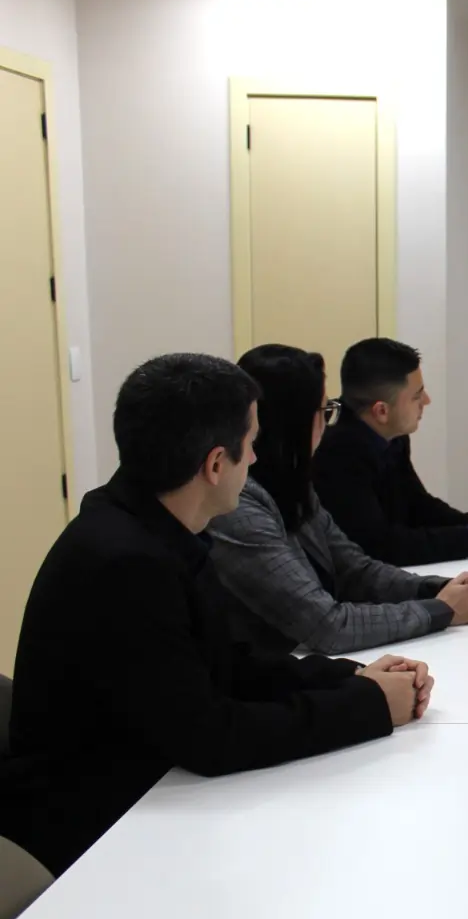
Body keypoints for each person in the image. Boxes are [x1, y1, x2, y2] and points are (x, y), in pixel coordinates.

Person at [0, 354, 433, 877]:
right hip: (99, 834)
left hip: (148, 789)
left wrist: (352, 678)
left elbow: (230, 663)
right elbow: (211, 738)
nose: (255, 459)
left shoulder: (151, 525)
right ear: (214, 464)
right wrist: (368, 707)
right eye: (249, 445)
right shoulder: (127, 563)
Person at [210, 345, 468, 655]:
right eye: (325, 411)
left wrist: (438, 588)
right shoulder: (239, 507)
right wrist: (443, 609)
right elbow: (328, 627)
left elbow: (354, 568)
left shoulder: (291, 482)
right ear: (296, 424)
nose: (329, 422)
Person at [314, 337, 468, 566]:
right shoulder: (335, 454)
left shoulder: (391, 433)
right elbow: (377, 547)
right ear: (381, 411)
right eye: (417, 396)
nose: (427, 401)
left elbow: (415, 503)